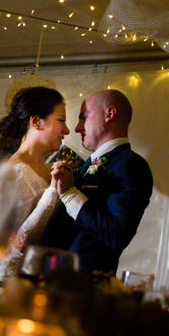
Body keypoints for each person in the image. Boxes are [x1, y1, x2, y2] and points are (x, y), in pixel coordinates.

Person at [45, 89, 153, 274]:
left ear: (109, 114)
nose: (77, 127)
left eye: (84, 117)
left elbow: (117, 234)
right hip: (57, 277)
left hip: (84, 286)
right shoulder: (91, 163)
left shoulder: (130, 164)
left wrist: (71, 195)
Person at [0, 86, 69, 282]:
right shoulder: (14, 171)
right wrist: (52, 192)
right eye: (61, 120)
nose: (66, 130)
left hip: (46, 275)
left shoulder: (51, 169)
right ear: (36, 121)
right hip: (14, 281)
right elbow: (14, 242)